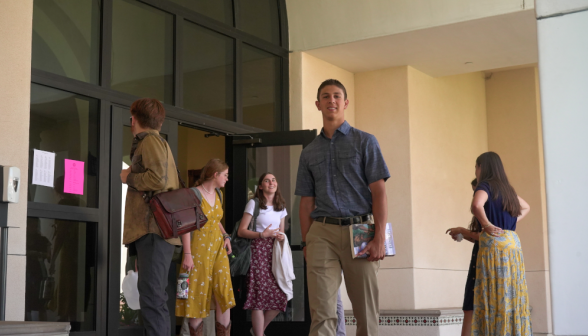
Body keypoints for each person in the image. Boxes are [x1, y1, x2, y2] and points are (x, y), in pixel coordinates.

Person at [296, 79, 390, 336]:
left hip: (361, 231)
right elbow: (306, 203)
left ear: (345, 102)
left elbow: (379, 192)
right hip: (321, 234)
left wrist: (379, 235)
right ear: (318, 104)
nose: (331, 100)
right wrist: (307, 243)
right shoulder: (309, 152)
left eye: (337, 96)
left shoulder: (365, 141)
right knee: (322, 312)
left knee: (366, 313)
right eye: (325, 96)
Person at [120, 98, 181, 336]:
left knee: (153, 299)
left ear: (134, 119)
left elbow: (158, 180)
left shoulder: (151, 142)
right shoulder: (156, 142)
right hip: (153, 233)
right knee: (153, 298)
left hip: (154, 231)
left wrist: (128, 177)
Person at [470, 152, 532, 335]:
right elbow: (526, 207)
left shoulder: (485, 186)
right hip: (512, 243)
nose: (475, 170)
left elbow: (476, 205)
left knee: (495, 293)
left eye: (476, 166)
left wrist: (488, 225)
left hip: (495, 246)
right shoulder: (507, 190)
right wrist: (508, 225)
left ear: (483, 167)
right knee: (512, 291)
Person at [176, 159, 235, 336]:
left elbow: (215, 220)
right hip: (196, 251)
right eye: (225, 175)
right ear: (215, 174)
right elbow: (185, 226)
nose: (227, 179)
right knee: (195, 295)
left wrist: (225, 235)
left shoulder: (219, 194)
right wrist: (187, 254)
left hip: (218, 250)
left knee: (224, 295)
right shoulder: (193, 194)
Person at [237, 172, 288, 336]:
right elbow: (241, 231)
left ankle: (257, 331)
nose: (271, 182)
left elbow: (281, 232)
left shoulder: (281, 207)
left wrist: (281, 236)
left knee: (281, 296)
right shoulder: (254, 203)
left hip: (275, 253)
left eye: (274, 180)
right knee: (258, 297)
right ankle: (259, 334)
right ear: (260, 186)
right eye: (267, 181)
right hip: (257, 251)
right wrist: (261, 235)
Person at [445, 178, 482, 336]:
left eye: (476, 191)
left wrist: (462, 230)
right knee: (469, 305)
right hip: (477, 260)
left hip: (482, 263)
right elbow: (478, 238)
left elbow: (486, 237)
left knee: (472, 306)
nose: (474, 195)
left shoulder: (487, 207)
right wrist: (464, 234)